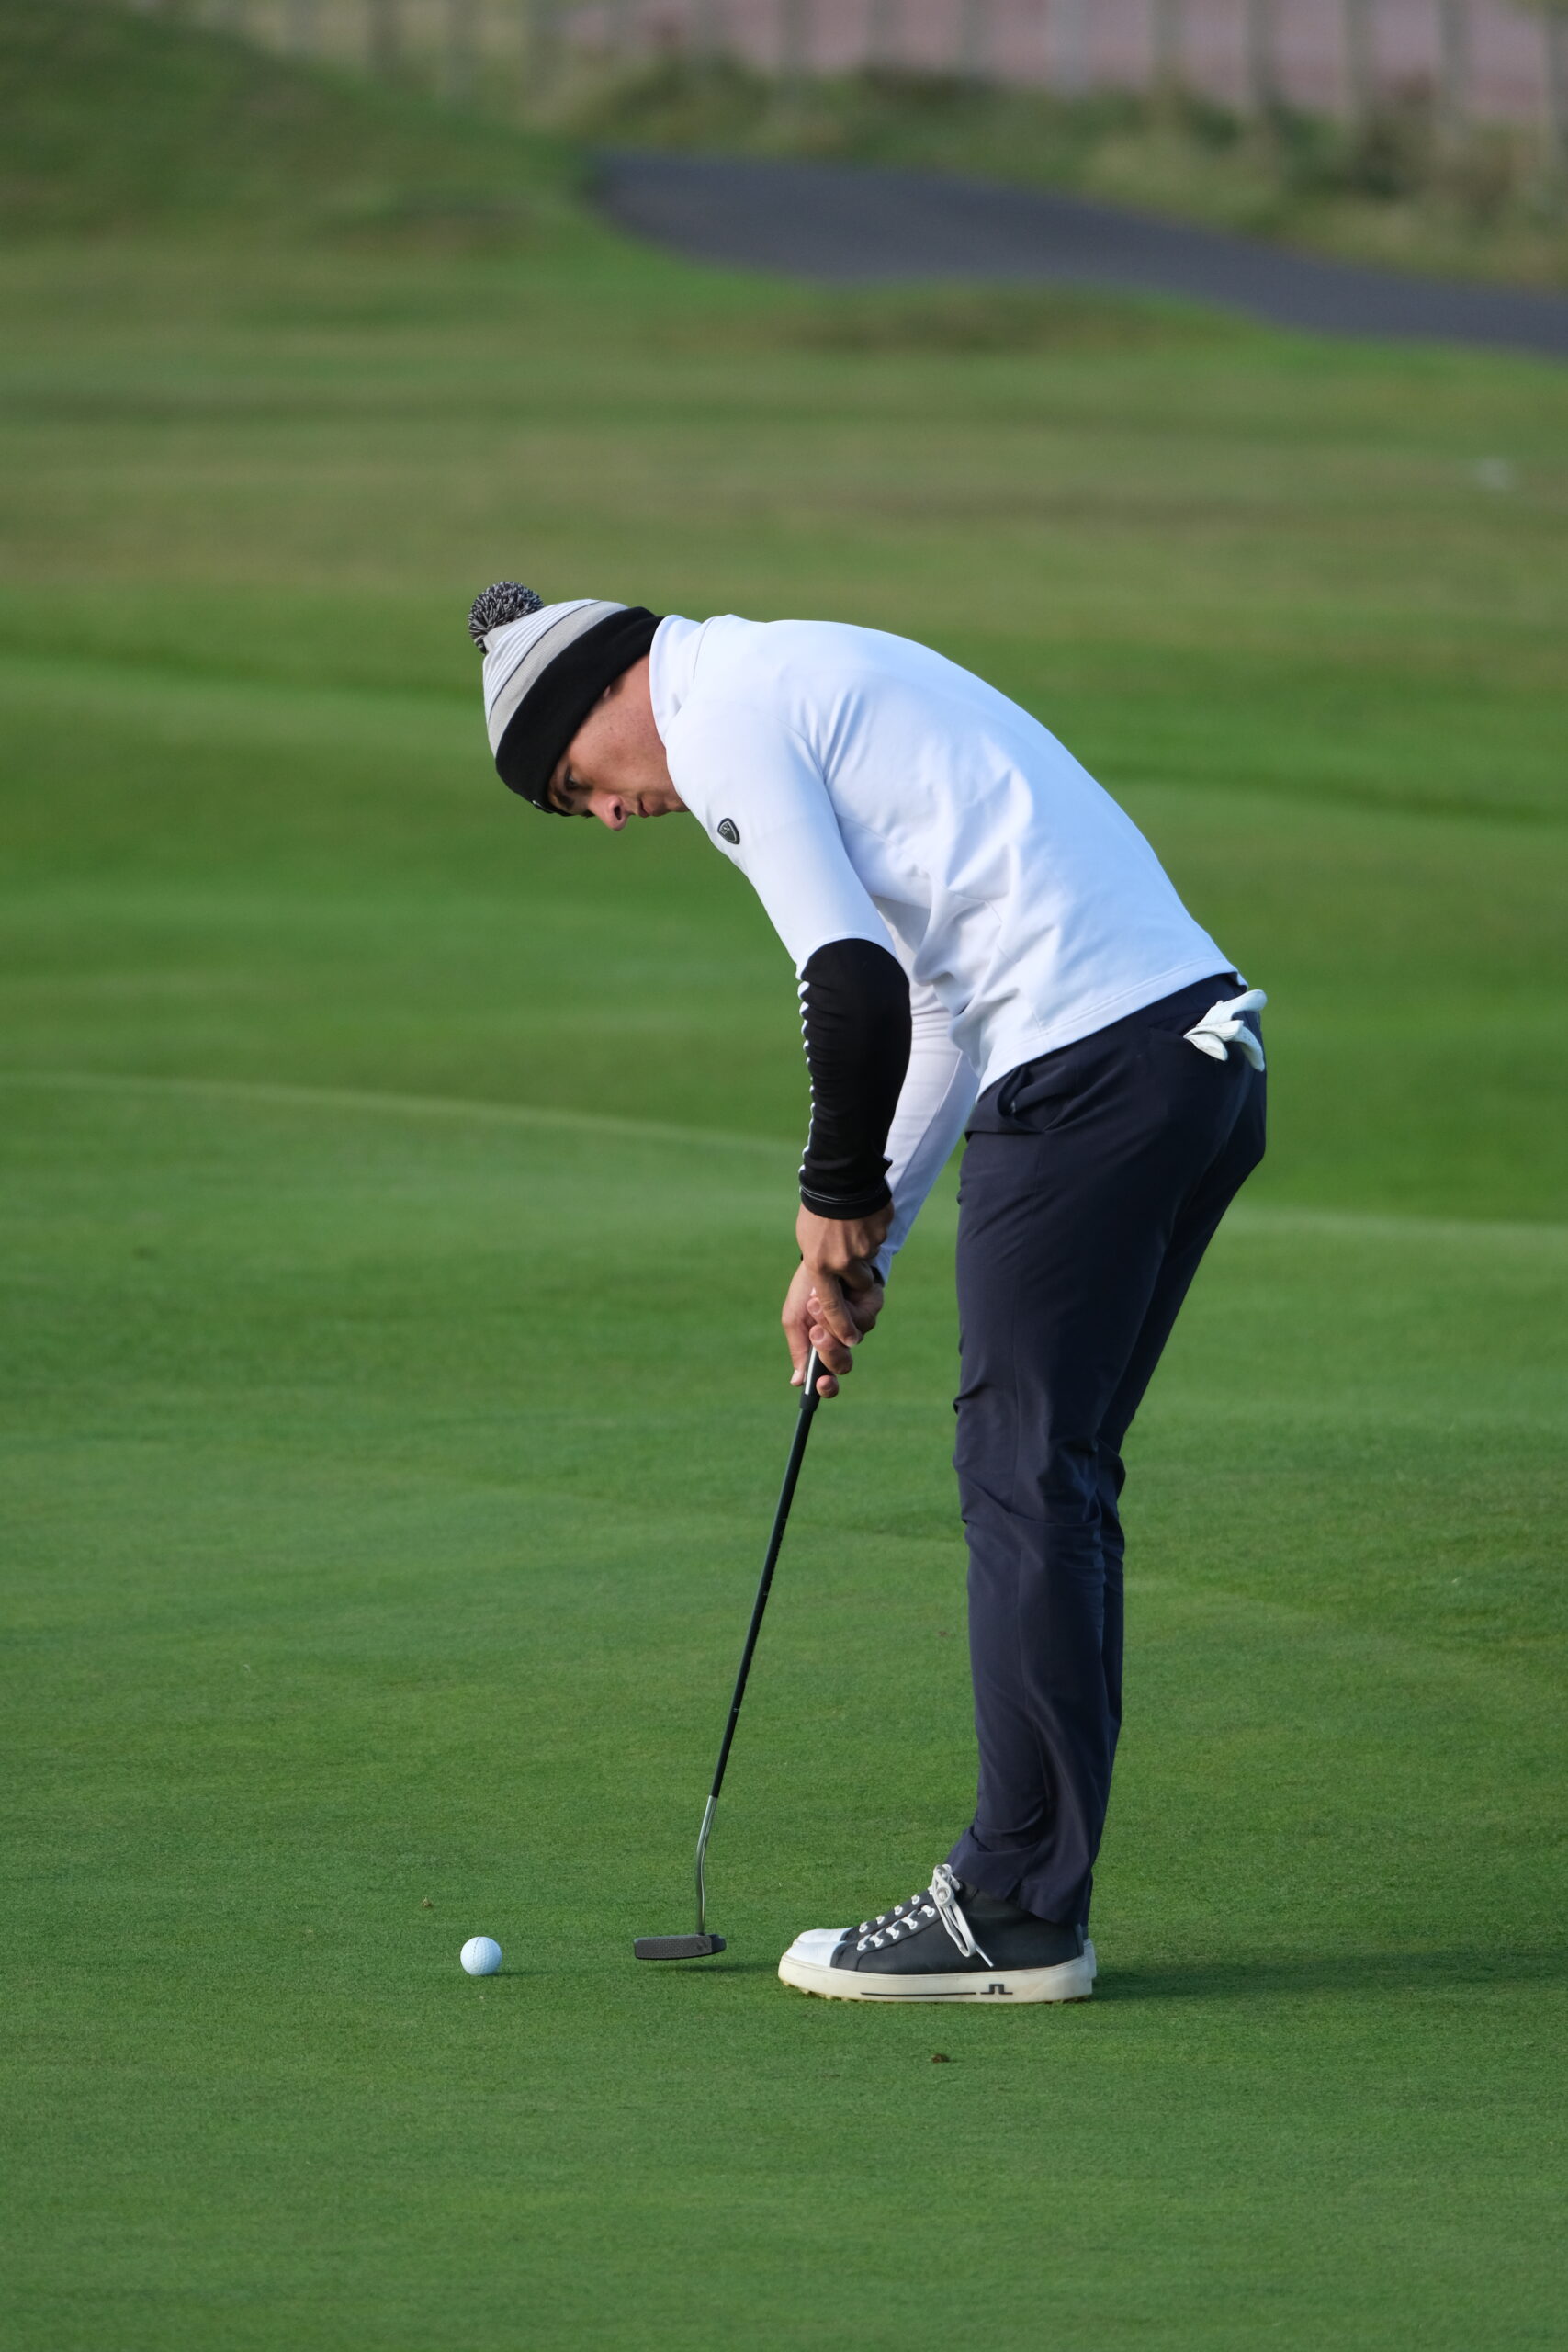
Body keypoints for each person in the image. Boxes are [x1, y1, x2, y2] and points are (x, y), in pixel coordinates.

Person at [468, 582, 1266, 2005]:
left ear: (604, 692)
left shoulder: (721, 712)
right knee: (1054, 1477)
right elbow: (935, 998)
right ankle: (1034, 1897)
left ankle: (1014, 1908)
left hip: (1086, 1075)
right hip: (1190, 1063)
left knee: (1022, 1476)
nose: (605, 815)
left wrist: (830, 1186)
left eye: (573, 783)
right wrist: (859, 1245)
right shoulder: (787, 674)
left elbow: (847, 984)